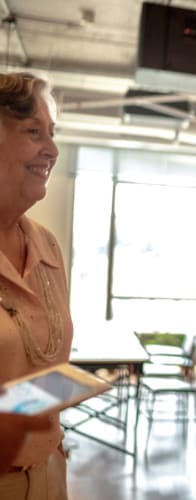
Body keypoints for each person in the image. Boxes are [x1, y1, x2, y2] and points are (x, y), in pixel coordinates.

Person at [0, 72, 74, 499]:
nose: (52, 150)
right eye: (33, 132)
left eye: (52, 133)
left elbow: (45, 370)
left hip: (48, 475)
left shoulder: (46, 246)